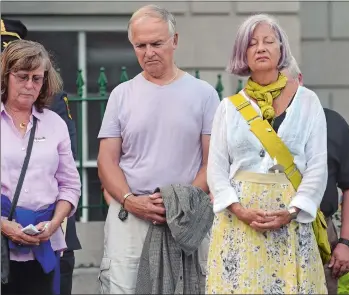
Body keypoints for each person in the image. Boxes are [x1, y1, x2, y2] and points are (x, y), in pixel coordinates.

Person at [96, 4, 220, 294]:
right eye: (140, 45)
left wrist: (177, 204)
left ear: (174, 41)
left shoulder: (203, 94)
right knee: (122, 288)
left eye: (156, 43)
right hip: (129, 216)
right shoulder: (121, 95)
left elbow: (211, 161)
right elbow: (107, 161)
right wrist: (130, 200)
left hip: (186, 217)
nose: (148, 52)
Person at [206, 14, 328, 294]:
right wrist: (239, 210)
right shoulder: (228, 107)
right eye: (252, 44)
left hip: (290, 221)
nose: (260, 48)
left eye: (268, 41)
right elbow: (216, 170)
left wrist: (292, 211)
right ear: (242, 54)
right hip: (238, 223)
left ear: (281, 49)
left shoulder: (308, 101)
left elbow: (318, 165)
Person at [1, 18, 82, 295]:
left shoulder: (54, 122)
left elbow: (70, 183)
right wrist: (4, 225)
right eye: (21, 77)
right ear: (6, 77)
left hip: (45, 244)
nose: (29, 85)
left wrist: (55, 223)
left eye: (36, 78)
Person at [283, 58, 349, 294]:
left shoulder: (332, 122)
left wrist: (347, 243)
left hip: (319, 231)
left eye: (282, 84)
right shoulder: (252, 124)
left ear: (299, 80)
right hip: (264, 230)